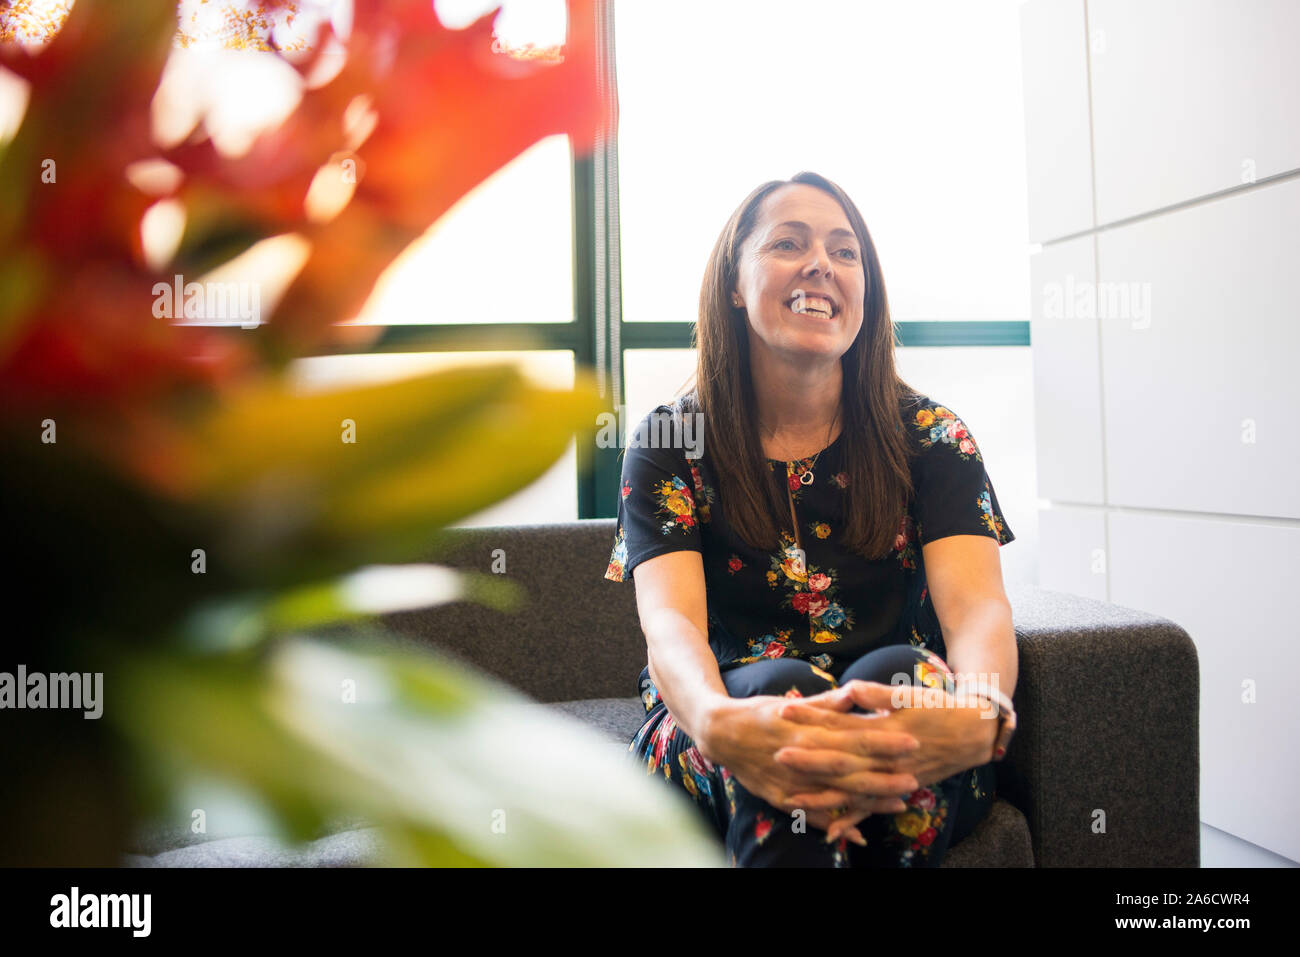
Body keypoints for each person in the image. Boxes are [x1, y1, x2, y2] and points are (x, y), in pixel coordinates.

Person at [603, 171, 1019, 867]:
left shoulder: (933, 437)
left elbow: (978, 611)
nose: (821, 262)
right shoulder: (670, 441)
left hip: (904, 713)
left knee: (902, 681)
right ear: (734, 284)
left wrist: (976, 715)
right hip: (718, 713)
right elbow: (671, 625)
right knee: (780, 704)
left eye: (845, 251)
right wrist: (716, 720)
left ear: (866, 290)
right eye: (788, 243)